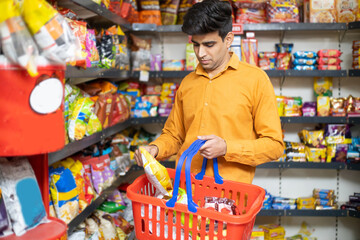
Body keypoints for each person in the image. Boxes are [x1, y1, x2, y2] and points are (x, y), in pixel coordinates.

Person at [134, 0, 284, 184]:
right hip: (186, 192)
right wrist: (155, 149)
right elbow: (175, 135)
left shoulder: (256, 80)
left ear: (228, 39)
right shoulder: (188, 83)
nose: (201, 53)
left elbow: (274, 146)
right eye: (196, 45)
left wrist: (227, 148)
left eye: (209, 44)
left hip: (230, 198)